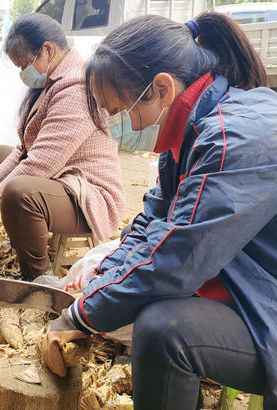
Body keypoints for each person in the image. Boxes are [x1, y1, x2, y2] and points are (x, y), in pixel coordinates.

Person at [41, 12, 277, 409]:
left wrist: (78, 317)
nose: (127, 125)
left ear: (162, 88)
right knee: (139, 299)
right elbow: (154, 223)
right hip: (257, 282)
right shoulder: (195, 130)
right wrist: (103, 282)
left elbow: (178, 258)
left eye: (126, 110)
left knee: (163, 331)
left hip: (265, 294)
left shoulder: (231, 139)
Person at [0, 13, 125, 281]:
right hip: (60, 177)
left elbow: (40, 163)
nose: (23, 73)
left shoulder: (76, 87)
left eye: (25, 65)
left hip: (87, 193)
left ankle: (38, 278)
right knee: (1, 155)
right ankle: (23, 230)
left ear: (47, 50)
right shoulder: (49, 81)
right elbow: (23, 150)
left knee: (19, 192)